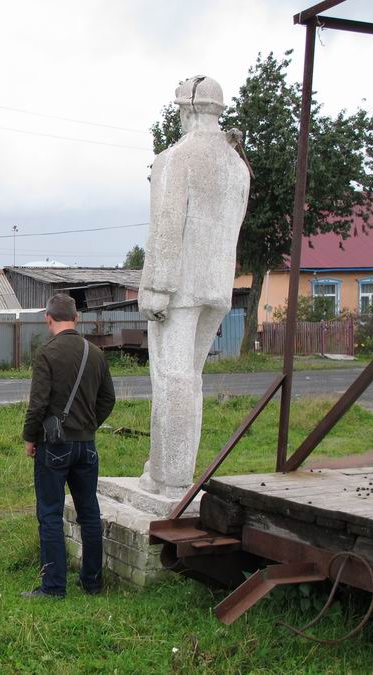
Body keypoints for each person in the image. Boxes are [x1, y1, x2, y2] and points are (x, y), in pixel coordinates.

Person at [138, 76, 250, 498]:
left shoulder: (175, 159)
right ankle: (174, 471)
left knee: (171, 378)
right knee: (191, 379)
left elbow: (167, 228)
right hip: (217, 286)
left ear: (185, 108)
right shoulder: (237, 166)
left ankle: (168, 478)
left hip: (179, 287)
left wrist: (156, 287)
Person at [21, 293, 116, 599]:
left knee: (50, 514)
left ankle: (53, 587)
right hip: (86, 446)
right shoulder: (95, 353)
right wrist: (89, 426)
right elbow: (108, 400)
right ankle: (92, 582)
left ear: (48, 318)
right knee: (89, 514)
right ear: (77, 318)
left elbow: (38, 405)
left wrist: (29, 438)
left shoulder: (46, 353)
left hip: (55, 446)